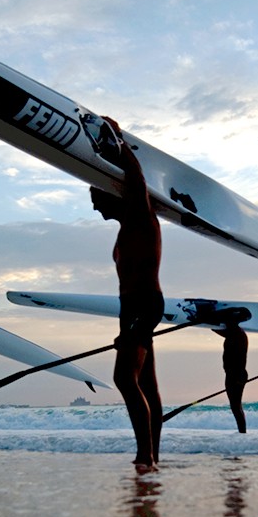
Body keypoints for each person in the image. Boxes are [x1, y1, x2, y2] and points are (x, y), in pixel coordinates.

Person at [90, 117, 164, 472]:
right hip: (132, 307)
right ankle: (153, 455)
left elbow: (137, 179)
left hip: (143, 304)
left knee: (124, 379)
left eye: (95, 193)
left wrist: (117, 142)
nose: (93, 205)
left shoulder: (140, 215)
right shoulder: (126, 227)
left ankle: (145, 456)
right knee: (146, 383)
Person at [214, 321, 249, 433]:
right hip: (232, 374)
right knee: (235, 406)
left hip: (237, 374)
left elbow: (219, 330)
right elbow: (218, 330)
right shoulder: (234, 333)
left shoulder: (238, 334)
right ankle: (242, 432)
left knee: (236, 406)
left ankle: (242, 432)